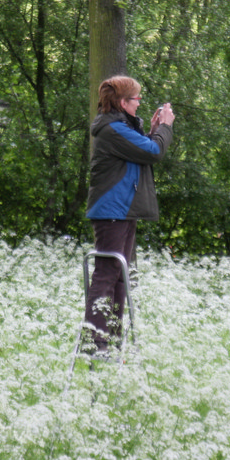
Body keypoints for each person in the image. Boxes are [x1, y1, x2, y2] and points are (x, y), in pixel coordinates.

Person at [83, 75, 175, 355]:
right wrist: (165, 128)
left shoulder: (119, 127)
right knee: (107, 272)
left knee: (120, 274)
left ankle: (111, 340)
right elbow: (154, 151)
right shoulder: (113, 129)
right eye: (136, 99)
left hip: (122, 209)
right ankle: (94, 341)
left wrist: (153, 130)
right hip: (113, 210)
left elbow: (140, 150)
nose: (139, 103)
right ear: (123, 102)